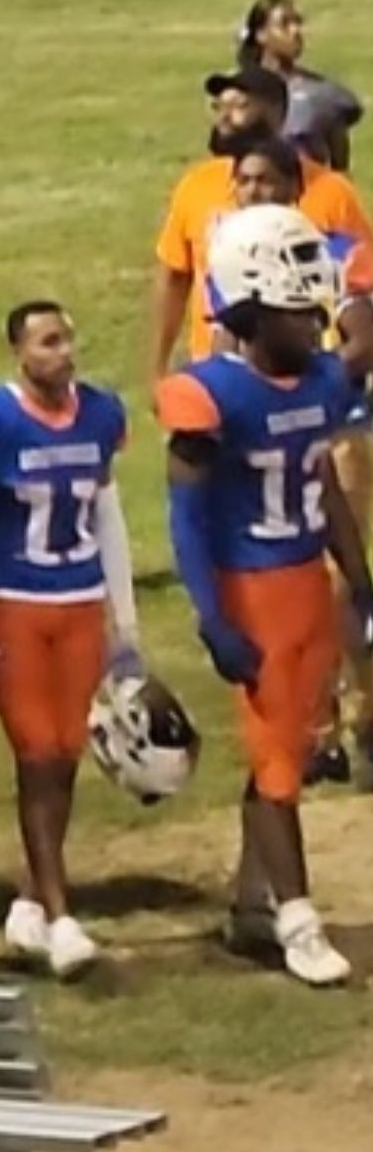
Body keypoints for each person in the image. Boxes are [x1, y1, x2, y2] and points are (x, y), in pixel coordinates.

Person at [159, 207, 373, 987]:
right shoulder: (209, 394)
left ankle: (252, 901)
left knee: (287, 746)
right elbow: (184, 515)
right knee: (278, 762)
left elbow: (322, 479)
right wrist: (211, 614)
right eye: (297, 309)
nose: (312, 322)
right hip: (251, 590)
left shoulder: (321, 379)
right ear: (251, 307)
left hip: (306, 587)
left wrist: (358, 574)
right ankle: (298, 917)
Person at [219, 134, 373, 791]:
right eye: (244, 181)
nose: (255, 192)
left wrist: (314, 385)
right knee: (282, 582)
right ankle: (314, 729)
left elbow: (365, 336)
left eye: (268, 181)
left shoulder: (334, 253)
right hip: (261, 443)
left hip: (333, 435)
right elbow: (220, 350)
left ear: (297, 190)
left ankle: (365, 716)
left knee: (337, 580)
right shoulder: (228, 261)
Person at [0, 303, 135, 978]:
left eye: (66, 337)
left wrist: (125, 621)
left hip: (79, 602)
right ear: (19, 354)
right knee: (35, 754)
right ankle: (60, 914)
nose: (64, 351)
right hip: (16, 604)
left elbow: (107, 514)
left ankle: (29, 902)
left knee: (67, 755)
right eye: (48, 341)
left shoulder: (102, 413)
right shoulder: (3, 420)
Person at [150, 68, 373, 389]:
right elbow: (176, 279)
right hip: (233, 388)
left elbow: (366, 297)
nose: (225, 118)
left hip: (317, 380)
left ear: (276, 113)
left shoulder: (331, 194)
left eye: (239, 107)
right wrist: (159, 369)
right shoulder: (196, 187)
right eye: (219, 108)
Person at [239, 0, 363, 172]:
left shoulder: (323, 94)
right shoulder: (239, 91)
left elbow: (340, 168)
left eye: (297, 23)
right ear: (261, 35)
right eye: (285, 24)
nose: (295, 31)